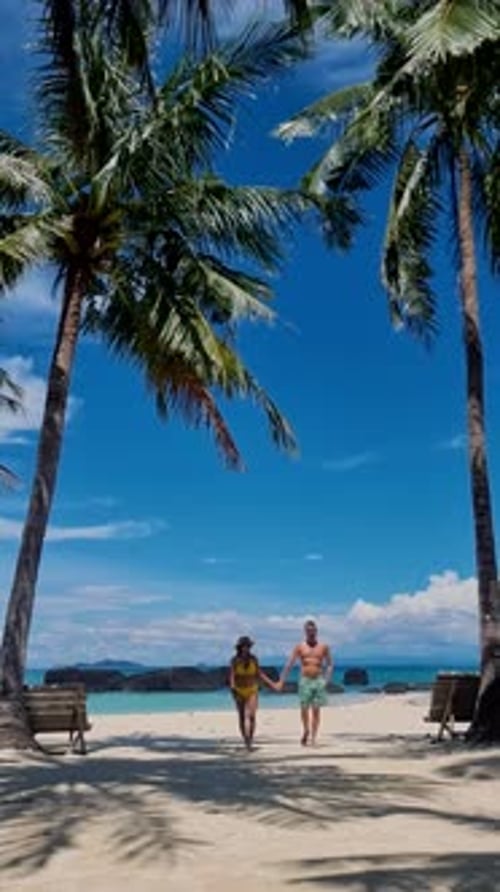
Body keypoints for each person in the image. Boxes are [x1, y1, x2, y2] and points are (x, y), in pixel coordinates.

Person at [277, 619, 333, 746]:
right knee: (304, 708)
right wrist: (281, 680)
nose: (311, 633)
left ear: (316, 631)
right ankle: (306, 729)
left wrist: (327, 680)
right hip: (305, 680)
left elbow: (329, 664)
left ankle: (313, 738)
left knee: (316, 710)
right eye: (308, 631)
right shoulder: (300, 647)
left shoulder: (324, 647)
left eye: (313, 631)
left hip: (318, 680)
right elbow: (289, 664)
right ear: (305, 632)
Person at [229, 635, 277, 750]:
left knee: (251, 715)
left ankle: (250, 740)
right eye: (244, 646)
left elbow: (259, 674)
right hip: (239, 690)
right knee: (241, 716)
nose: (246, 648)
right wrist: (233, 688)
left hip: (252, 689)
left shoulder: (253, 659)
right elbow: (232, 675)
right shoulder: (235, 660)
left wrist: (272, 684)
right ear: (240, 647)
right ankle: (245, 741)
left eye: (248, 646)